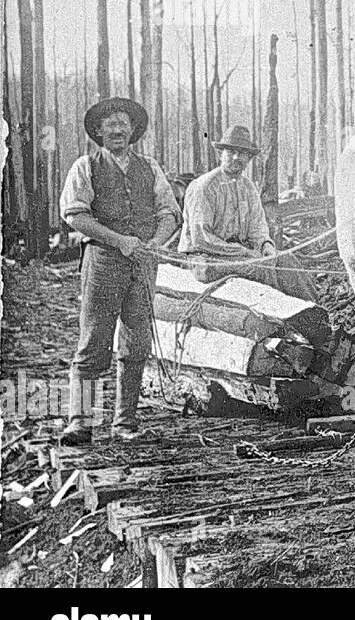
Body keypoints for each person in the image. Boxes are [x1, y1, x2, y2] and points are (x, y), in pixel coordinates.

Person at [59, 97, 180, 444]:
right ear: (98, 132)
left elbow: (169, 212)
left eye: (123, 124)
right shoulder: (86, 166)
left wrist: (155, 242)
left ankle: (125, 423)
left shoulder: (150, 168)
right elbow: (75, 215)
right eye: (109, 125)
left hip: (141, 265)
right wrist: (118, 240)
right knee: (94, 340)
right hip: (103, 262)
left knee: (136, 342)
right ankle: (79, 422)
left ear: (132, 131)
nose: (117, 130)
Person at [179, 125, 318, 303]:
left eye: (242, 153)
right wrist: (245, 253)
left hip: (240, 255)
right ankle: (280, 319)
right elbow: (202, 239)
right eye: (231, 152)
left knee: (286, 261)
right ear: (221, 153)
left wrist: (265, 245)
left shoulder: (248, 187)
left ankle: (316, 315)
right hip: (205, 259)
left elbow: (257, 227)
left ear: (249, 157)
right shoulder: (204, 187)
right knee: (260, 268)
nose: (237, 157)